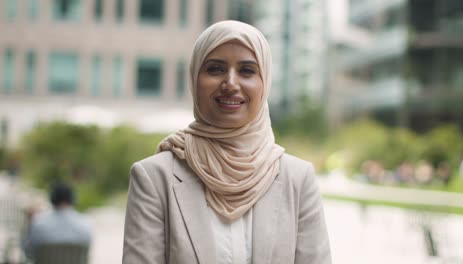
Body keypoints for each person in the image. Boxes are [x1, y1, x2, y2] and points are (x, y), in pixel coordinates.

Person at [123, 20, 331, 264]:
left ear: (265, 83)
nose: (231, 84)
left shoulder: (297, 179)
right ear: (194, 79)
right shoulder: (154, 177)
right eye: (215, 69)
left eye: (247, 71)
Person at [23, 183, 92, 260]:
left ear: (52, 198)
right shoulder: (85, 223)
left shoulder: (38, 222)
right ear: (73, 199)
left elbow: (28, 253)